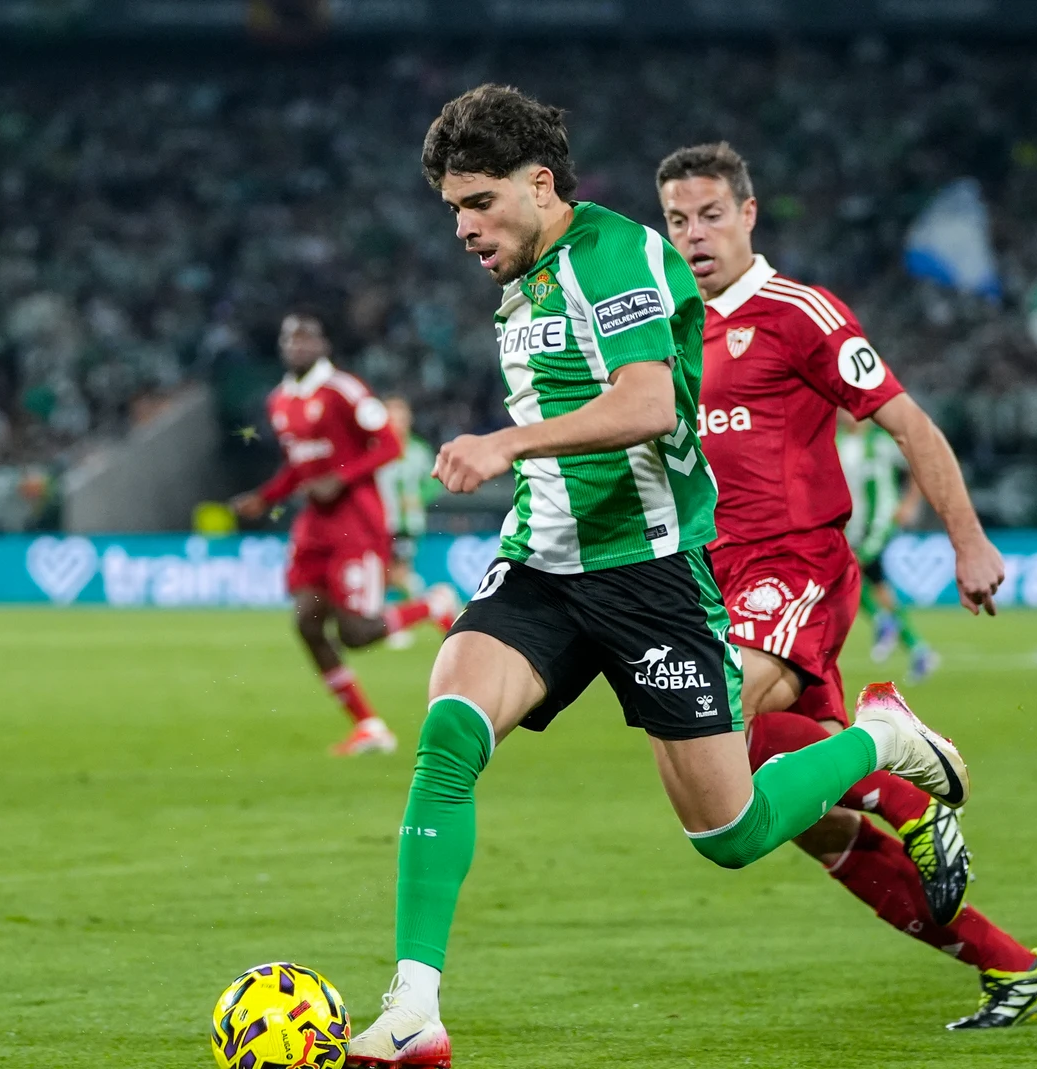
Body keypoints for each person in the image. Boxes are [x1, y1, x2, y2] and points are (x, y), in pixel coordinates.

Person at [346, 86, 972, 1067]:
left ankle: (882, 737)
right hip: (543, 564)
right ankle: (414, 1004)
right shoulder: (523, 281)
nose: (462, 227)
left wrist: (506, 442)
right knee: (448, 733)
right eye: (451, 210)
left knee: (728, 831)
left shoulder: (619, 254)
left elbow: (645, 405)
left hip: (652, 577)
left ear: (538, 183)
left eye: (476, 203)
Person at [657, 141, 1037, 1031]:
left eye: (711, 215)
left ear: (749, 214)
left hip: (793, 568)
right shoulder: (669, 328)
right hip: (715, 585)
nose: (694, 235)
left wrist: (969, 540)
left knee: (712, 727)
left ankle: (891, 752)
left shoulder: (798, 313)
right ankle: (1014, 967)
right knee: (813, 825)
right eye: (678, 219)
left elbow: (908, 421)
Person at [231, 312, 454, 757]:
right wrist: (265, 496)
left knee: (357, 632)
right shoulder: (279, 401)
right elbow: (299, 464)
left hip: (357, 522)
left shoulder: (345, 390)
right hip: (315, 526)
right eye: (290, 338)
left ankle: (433, 605)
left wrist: (342, 477)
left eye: (306, 337)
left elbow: (389, 445)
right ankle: (369, 726)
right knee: (307, 623)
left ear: (322, 344)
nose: (297, 345)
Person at [837, 411, 939, 681]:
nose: (846, 414)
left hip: (881, 521)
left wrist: (909, 504)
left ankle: (886, 623)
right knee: (876, 587)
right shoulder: (836, 441)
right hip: (852, 525)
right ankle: (919, 649)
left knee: (847, 570)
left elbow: (919, 465)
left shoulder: (882, 442)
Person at [373, 396, 457, 650]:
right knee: (385, 574)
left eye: (400, 417)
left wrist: (418, 497)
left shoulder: (417, 451)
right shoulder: (375, 447)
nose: (396, 422)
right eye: (391, 416)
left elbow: (435, 480)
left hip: (406, 524)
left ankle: (434, 602)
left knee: (396, 572)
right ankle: (407, 617)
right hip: (379, 521)